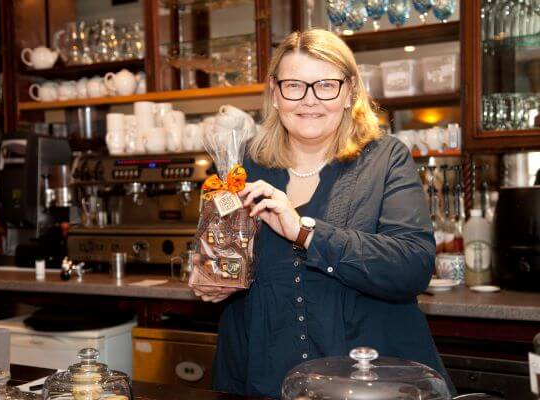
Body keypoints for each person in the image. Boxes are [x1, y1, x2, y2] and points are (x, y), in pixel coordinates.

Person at [192, 28, 454, 398]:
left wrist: (305, 231)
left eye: (326, 85)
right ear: (274, 91)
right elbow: (218, 253)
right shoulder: (242, 164)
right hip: (263, 378)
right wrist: (212, 275)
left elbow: (412, 266)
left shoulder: (385, 158)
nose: (309, 100)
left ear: (349, 91)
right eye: (294, 85)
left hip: (368, 385)